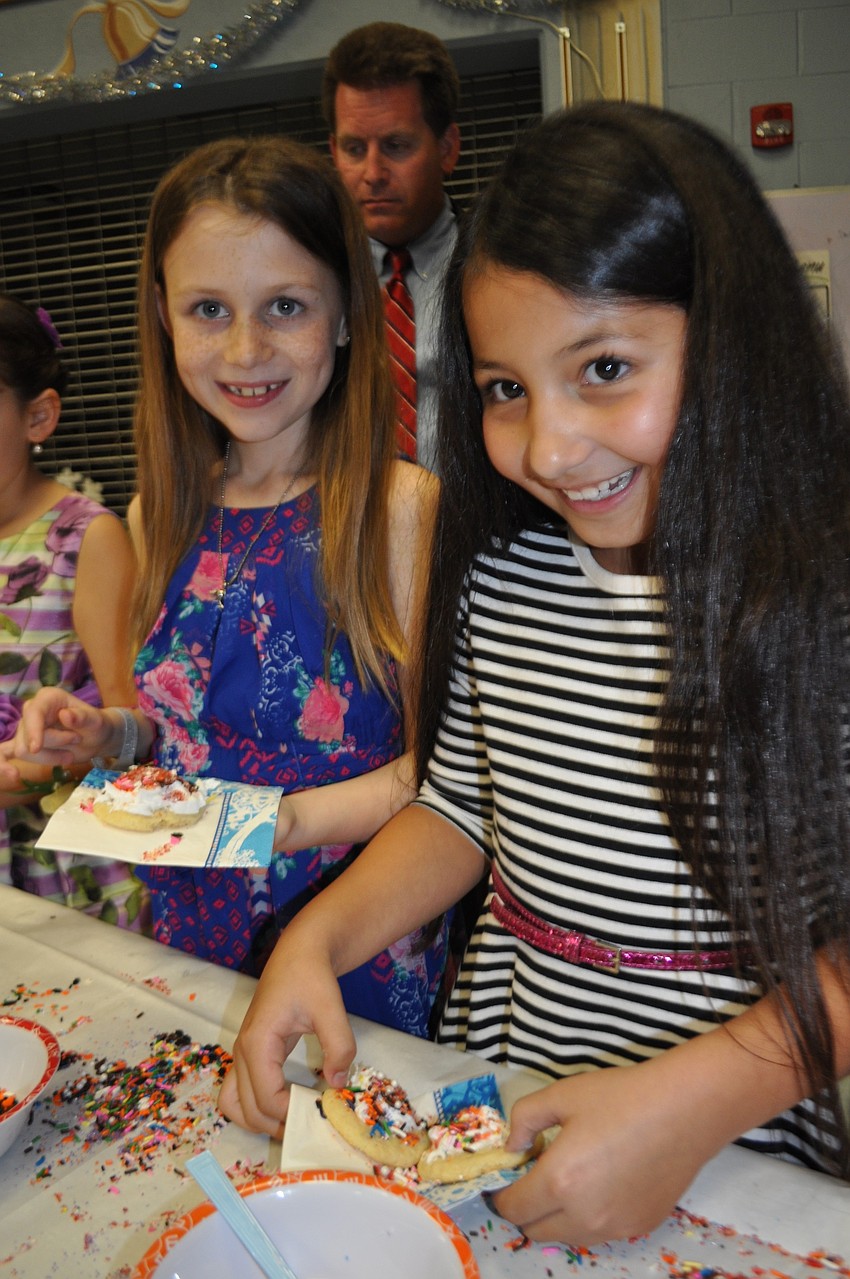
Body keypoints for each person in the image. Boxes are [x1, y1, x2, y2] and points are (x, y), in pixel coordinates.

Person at [216, 103, 850, 1245]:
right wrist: (318, 938)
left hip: (732, 1136)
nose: (549, 448)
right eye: (506, 388)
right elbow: (463, 808)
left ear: (737, 335)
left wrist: (695, 1098)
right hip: (503, 1083)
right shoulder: (508, 574)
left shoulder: (824, 602)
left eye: (603, 367)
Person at [0, 136, 447, 1039]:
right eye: (210, 309)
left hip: (346, 942)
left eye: (285, 305)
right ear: (164, 318)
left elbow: (443, 774)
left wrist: (270, 826)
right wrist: (108, 732)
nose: (246, 349)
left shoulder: (399, 509)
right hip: (189, 933)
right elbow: (184, 728)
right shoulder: (160, 508)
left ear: (347, 315)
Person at [0, 293, 144, 928]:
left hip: (63, 874)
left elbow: (133, 733)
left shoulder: (86, 538)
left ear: (38, 416)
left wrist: (39, 761)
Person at [323, 21, 461, 471]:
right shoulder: (311, 283)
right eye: (354, 148)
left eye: (396, 145)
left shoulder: (496, 269)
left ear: (447, 148)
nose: (373, 172)